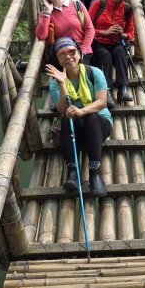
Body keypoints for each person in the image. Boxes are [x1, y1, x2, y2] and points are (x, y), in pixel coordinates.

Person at [45, 37, 113, 197]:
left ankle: (95, 172)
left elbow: (102, 102)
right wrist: (62, 85)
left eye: (71, 52)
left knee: (91, 117)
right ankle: (72, 171)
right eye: (62, 54)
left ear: (80, 53)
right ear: (58, 59)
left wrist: (83, 111)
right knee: (67, 118)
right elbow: (62, 109)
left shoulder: (94, 72)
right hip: (76, 130)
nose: (68, 56)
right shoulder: (55, 83)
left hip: (99, 125)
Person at [89, 0, 135, 106]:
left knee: (120, 52)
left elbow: (130, 33)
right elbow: (87, 28)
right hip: (99, 43)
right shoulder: (98, 4)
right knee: (105, 55)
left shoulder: (127, 9)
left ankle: (123, 89)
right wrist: (104, 32)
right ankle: (107, 91)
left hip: (116, 43)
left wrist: (123, 34)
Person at [35, 0, 94, 64]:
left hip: (82, 51)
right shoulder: (45, 14)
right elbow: (41, 35)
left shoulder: (76, 4)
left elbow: (90, 29)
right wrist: (48, 12)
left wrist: (82, 51)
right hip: (63, 55)